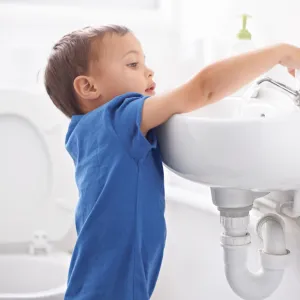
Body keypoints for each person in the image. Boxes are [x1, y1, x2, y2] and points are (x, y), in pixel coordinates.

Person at [44, 25, 300, 300]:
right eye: (132, 64)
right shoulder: (118, 118)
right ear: (88, 86)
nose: (149, 71)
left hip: (92, 278)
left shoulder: (85, 130)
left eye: (144, 62)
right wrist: (280, 53)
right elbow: (204, 89)